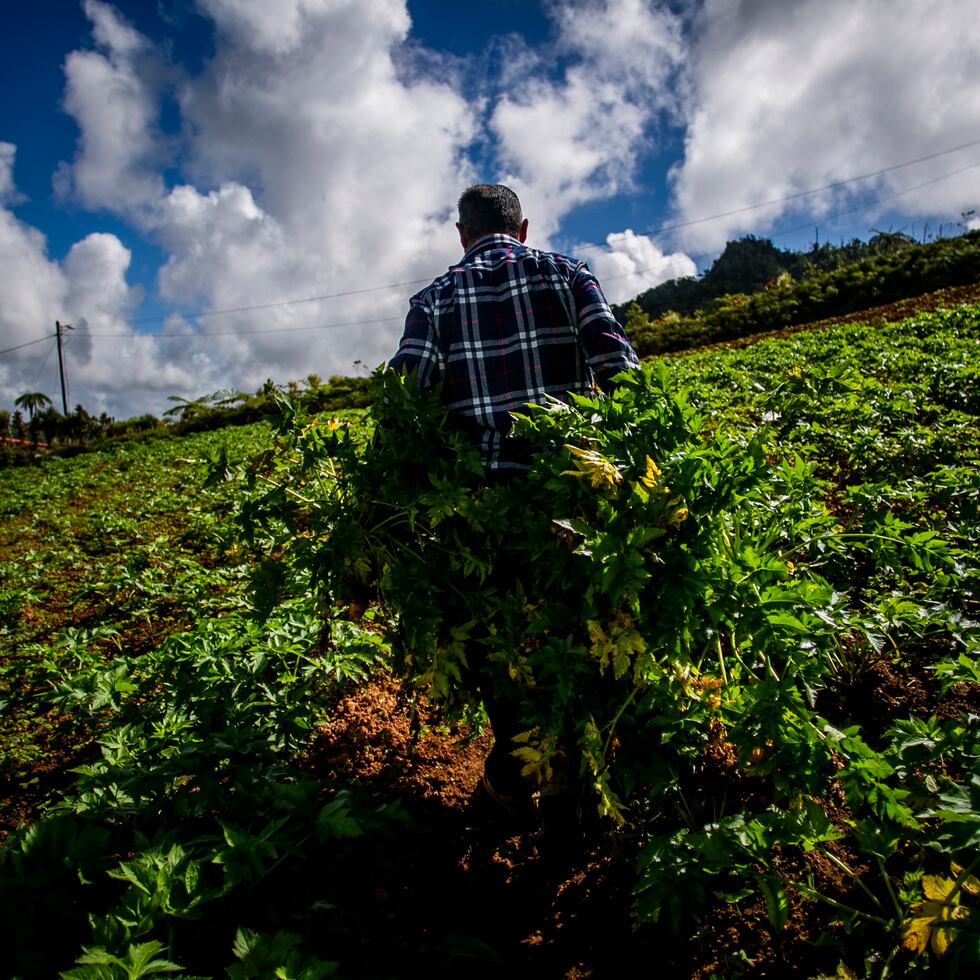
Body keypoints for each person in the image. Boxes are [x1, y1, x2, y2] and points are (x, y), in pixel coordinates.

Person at [388, 183, 640, 828]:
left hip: (481, 513)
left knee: (500, 646)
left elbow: (402, 403)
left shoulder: (434, 300)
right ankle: (559, 787)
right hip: (573, 503)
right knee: (576, 641)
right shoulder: (569, 274)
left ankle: (514, 780)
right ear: (522, 228)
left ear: (461, 234)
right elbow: (619, 368)